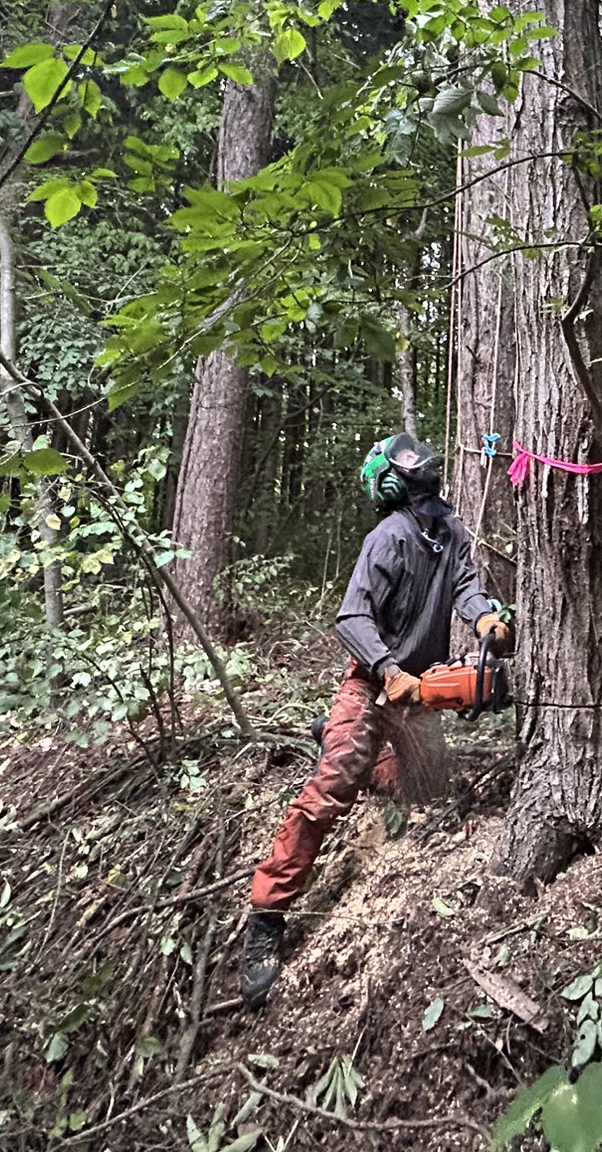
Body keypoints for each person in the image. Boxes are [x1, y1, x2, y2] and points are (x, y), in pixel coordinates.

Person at [239, 432, 513, 1008]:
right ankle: (266, 913)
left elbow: (466, 585)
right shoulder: (387, 537)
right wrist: (387, 670)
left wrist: (486, 618)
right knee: (332, 786)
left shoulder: (450, 531)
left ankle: (346, 744)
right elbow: (352, 618)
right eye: (407, 461)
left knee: (429, 787)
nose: (420, 464)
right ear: (390, 481)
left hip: (419, 689)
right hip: (372, 682)